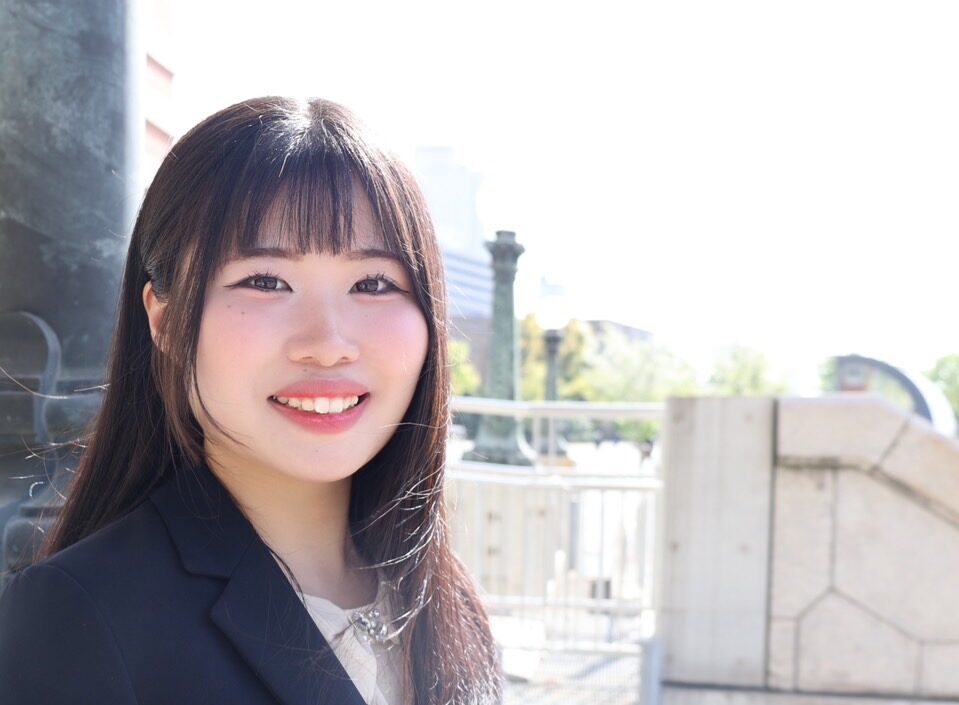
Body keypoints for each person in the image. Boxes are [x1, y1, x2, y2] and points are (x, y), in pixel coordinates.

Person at [0, 97, 501, 705]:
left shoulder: (445, 600)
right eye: (266, 281)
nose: (327, 345)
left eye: (373, 283)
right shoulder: (80, 617)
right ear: (164, 318)